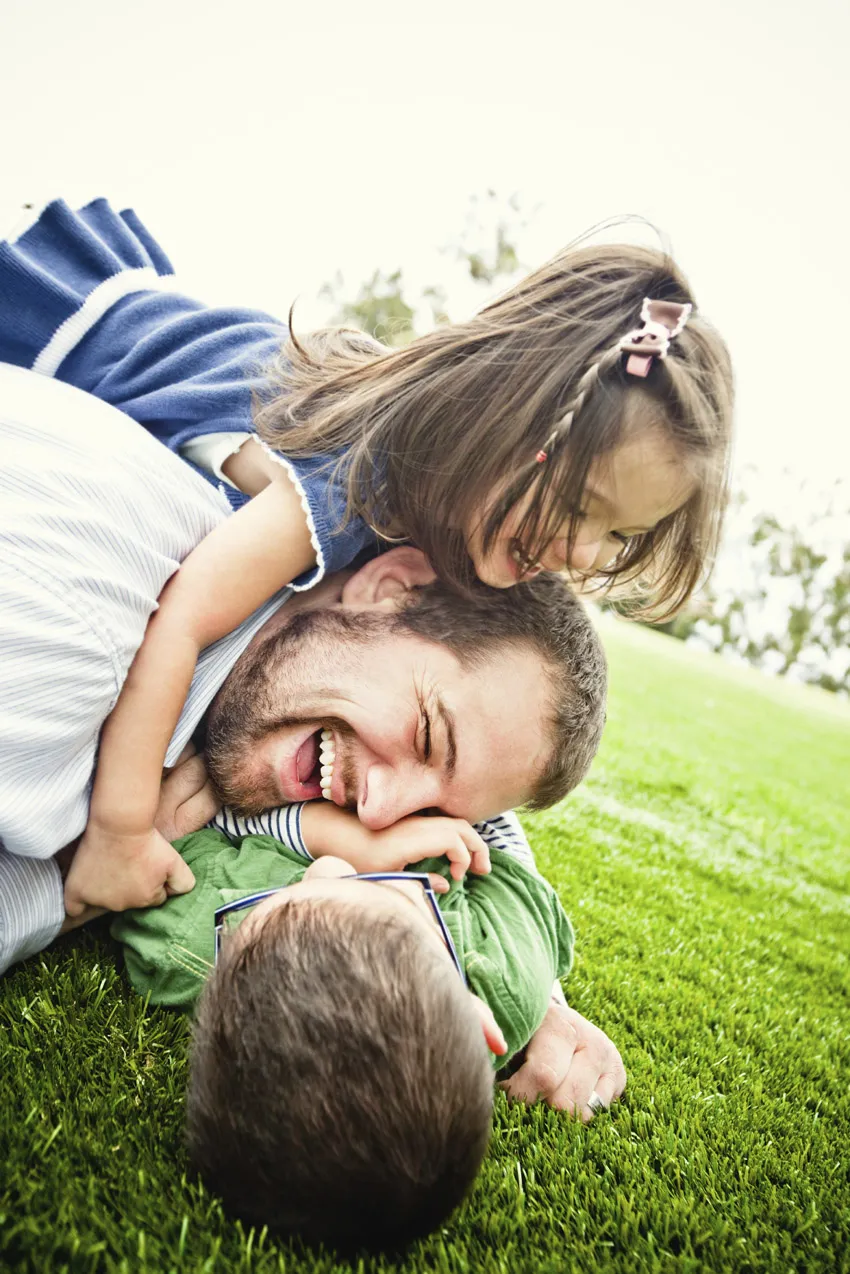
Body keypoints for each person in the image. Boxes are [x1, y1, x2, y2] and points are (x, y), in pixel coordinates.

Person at [0, 199, 735, 922]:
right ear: (507, 416)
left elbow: (481, 748)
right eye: (578, 506)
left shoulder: (452, 531)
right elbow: (187, 618)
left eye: (619, 535)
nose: (579, 554)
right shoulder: (357, 477)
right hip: (57, 321)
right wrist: (121, 828)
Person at [0, 363, 620, 1124]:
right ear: (388, 586)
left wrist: (518, 986)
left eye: (431, 804)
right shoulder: (71, 648)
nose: (380, 806)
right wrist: (78, 874)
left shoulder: (283, 650)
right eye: (426, 734)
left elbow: (483, 818)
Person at [109, 825, 580, 1252]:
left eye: (288, 897)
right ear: (481, 1021)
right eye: (384, 896)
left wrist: (325, 831)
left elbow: (167, 835)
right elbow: (519, 882)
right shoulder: (506, 980)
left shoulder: (185, 941)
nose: (332, 868)